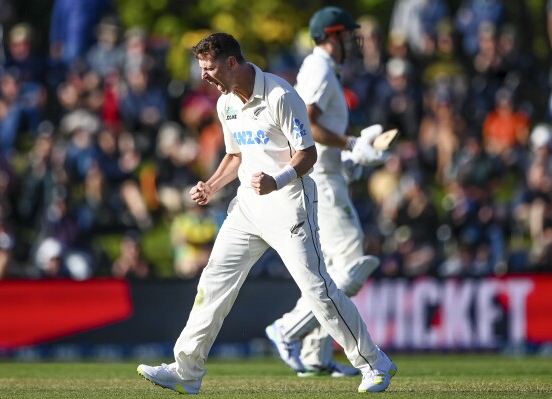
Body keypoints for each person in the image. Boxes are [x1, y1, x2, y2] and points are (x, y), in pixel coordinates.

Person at [136, 32, 396, 394]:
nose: (204, 77)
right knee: (212, 284)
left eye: (209, 68)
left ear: (231, 62)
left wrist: (278, 179)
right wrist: (211, 185)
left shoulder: (280, 94)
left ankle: (375, 364)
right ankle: (187, 370)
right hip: (247, 207)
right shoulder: (225, 104)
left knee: (317, 290)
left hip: (290, 203)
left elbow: (308, 154)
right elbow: (235, 155)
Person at [264, 6, 389, 378]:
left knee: (332, 267)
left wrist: (347, 159)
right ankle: (287, 328)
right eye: (347, 35)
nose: (353, 41)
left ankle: (315, 354)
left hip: (328, 173)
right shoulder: (318, 67)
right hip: (321, 178)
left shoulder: (325, 69)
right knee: (350, 262)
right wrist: (351, 144)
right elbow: (309, 123)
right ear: (332, 36)